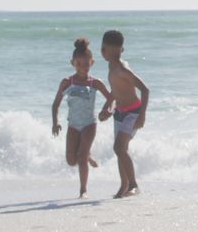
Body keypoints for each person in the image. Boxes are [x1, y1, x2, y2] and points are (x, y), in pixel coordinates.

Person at [51, 38, 112, 198]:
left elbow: (111, 98)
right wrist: (55, 122)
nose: (82, 67)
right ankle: (87, 156)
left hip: (89, 125)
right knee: (71, 160)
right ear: (73, 63)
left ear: (92, 63)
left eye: (86, 64)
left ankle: (83, 190)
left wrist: (107, 111)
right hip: (73, 125)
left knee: (82, 156)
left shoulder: (95, 83)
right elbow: (56, 104)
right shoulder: (67, 82)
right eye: (79, 64)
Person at [101, 29, 150, 198]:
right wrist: (107, 106)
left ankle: (134, 185)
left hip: (132, 113)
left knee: (119, 147)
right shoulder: (111, 67)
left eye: (113, 51)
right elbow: (116, 90)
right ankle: (124, 185)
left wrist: (142, 115)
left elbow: (145, 89)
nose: (109, 54)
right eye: (108, 50)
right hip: (119, 113)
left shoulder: (122, 69)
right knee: (121, 150)